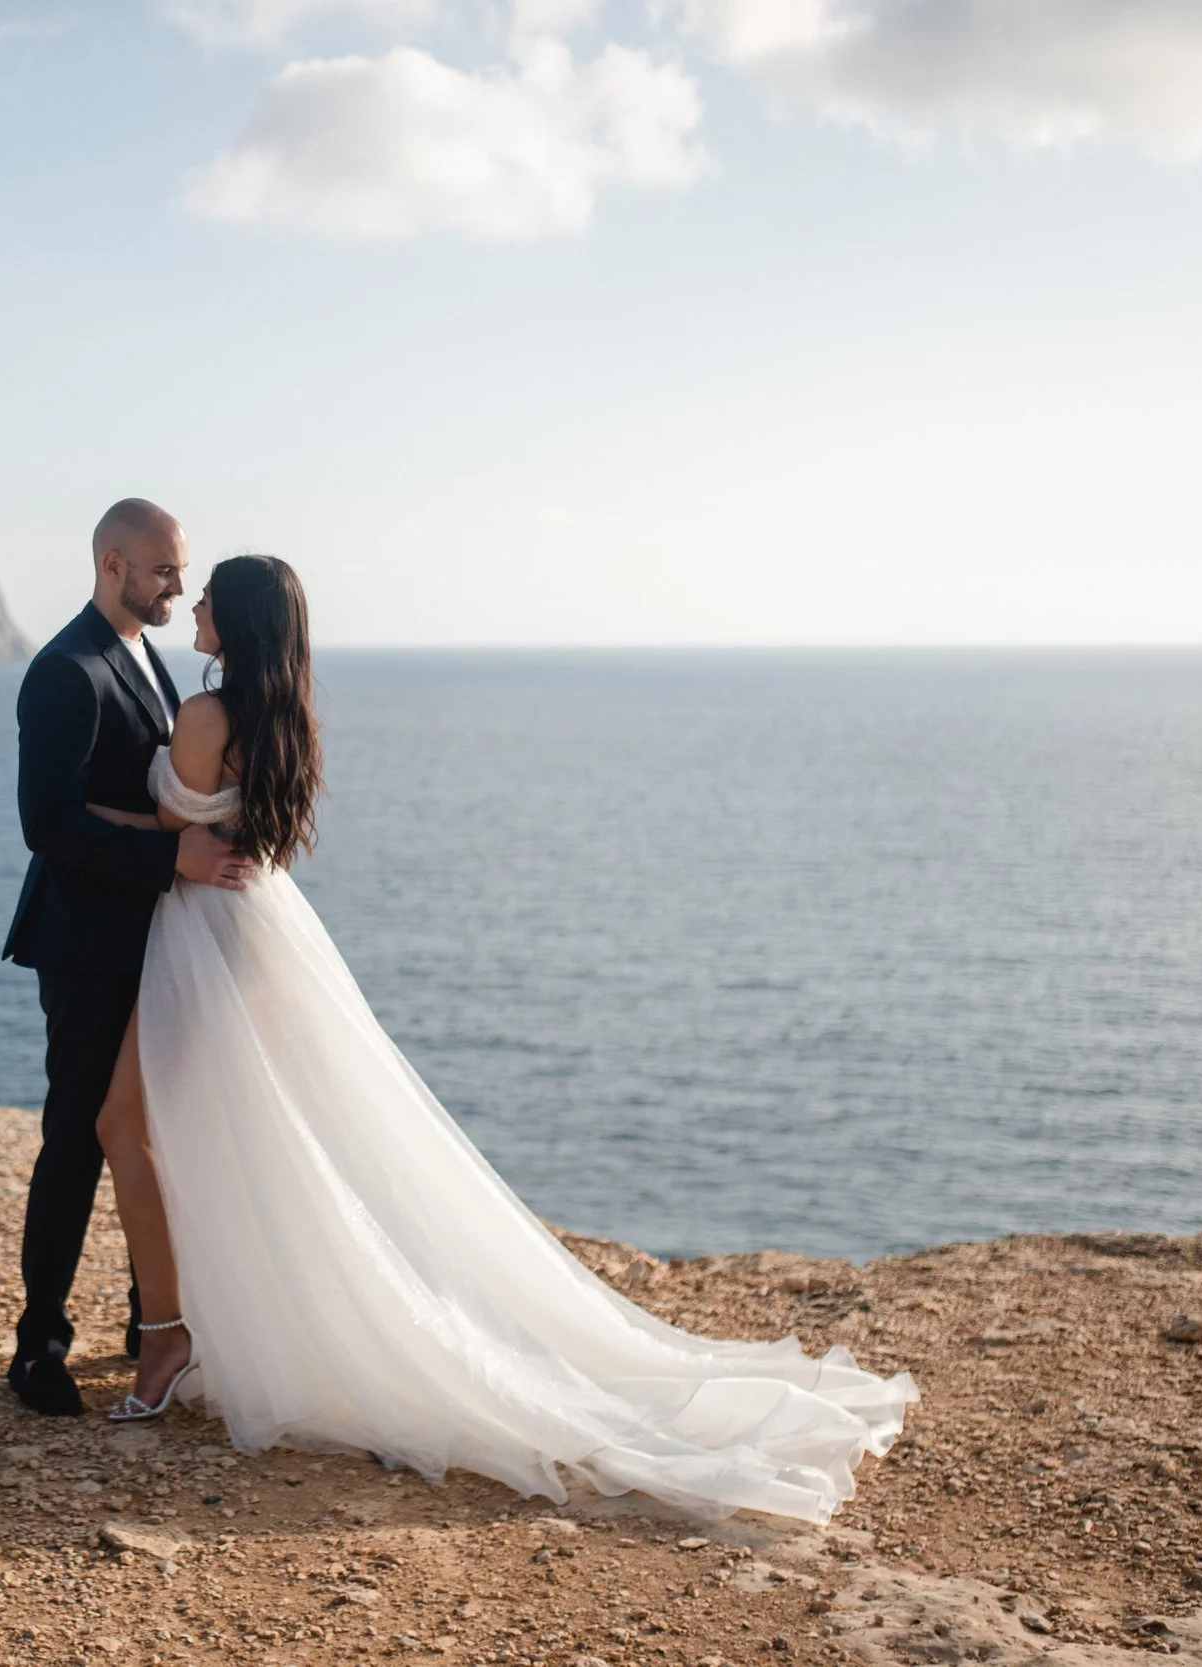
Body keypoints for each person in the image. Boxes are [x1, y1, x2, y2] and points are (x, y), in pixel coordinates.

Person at [76, 553, 918, 1522]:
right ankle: (219, 1322)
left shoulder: (206, 714)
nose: (198, 605)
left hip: (206, 934)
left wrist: (70, 815)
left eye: (213, 594)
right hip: (259, 928)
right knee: (260, 1133)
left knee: (127, 1123)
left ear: (244, 617)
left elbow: (164, 827)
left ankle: (168, 1336)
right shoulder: (280, 716)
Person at [0, 498, 255, 1417]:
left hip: (160, 939)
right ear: (112, 564)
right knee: (75, 1137)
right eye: (162, 572)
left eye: (181, 573)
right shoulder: (62, 671)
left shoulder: (149, 659)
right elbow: (47, 823)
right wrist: (168, 855)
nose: (178, 588)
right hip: (85, 941)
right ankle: (39, 1347)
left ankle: (151, 1317)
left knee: (153, 1129)